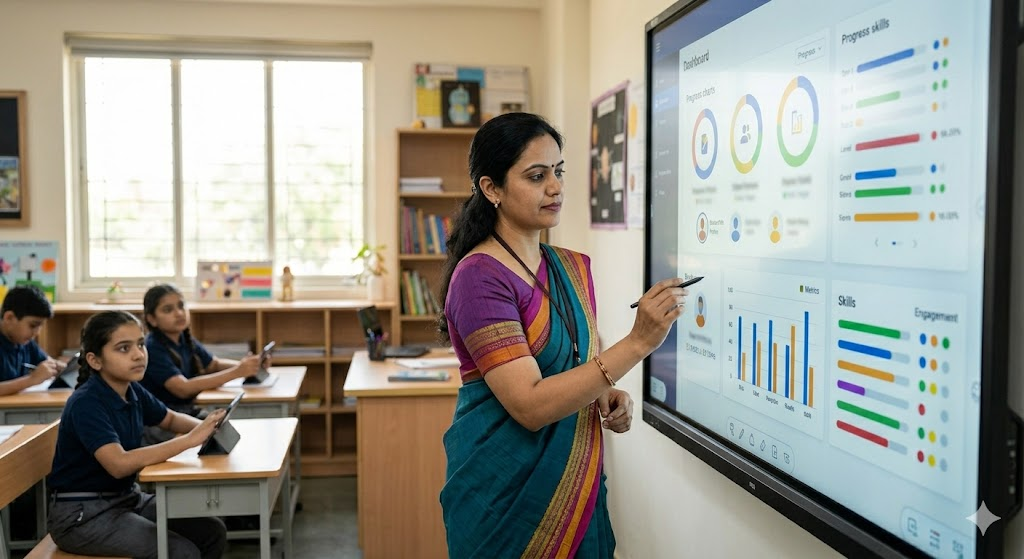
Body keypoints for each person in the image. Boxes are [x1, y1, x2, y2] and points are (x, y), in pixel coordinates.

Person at [437, 112, 690, 558]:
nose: (555, 187)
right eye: (536, 176)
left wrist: (604, 395)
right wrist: (638, 344)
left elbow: (575, 363)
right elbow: (531, 405)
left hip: (578, 492)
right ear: (491, 188)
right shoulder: (478, 278)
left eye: (558, 172)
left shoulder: (568, 268)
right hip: (505, 502)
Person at [47, 310, 227, 558]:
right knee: (180, 552)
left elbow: (170, 418)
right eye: (123, 348)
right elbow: (119, 464)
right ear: (95, 360)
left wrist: (209, 425)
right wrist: (190, 439)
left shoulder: (132, 390)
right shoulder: (86, 403)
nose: (138, 354)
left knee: (211, 531)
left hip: (125, 499)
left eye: (141, 344)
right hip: (83, 515)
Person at [140, 283, 264, 444]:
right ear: (152, 319)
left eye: (181, 306)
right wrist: (238, 372)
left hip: (185, 412)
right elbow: (182, 389)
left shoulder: (184, 338)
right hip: (162, 424)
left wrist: (248, 366)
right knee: (218, 436)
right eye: (168, 310)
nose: (178, 313)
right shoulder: (153, 347)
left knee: (226, 430)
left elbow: (213, 364)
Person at [0, 285, 65, 396]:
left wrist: (58, 367)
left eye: (40, 326)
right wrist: (31, 380)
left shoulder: (24, 341)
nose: (37, 333)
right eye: (33, 325)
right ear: (9, 318)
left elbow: (46, 362)